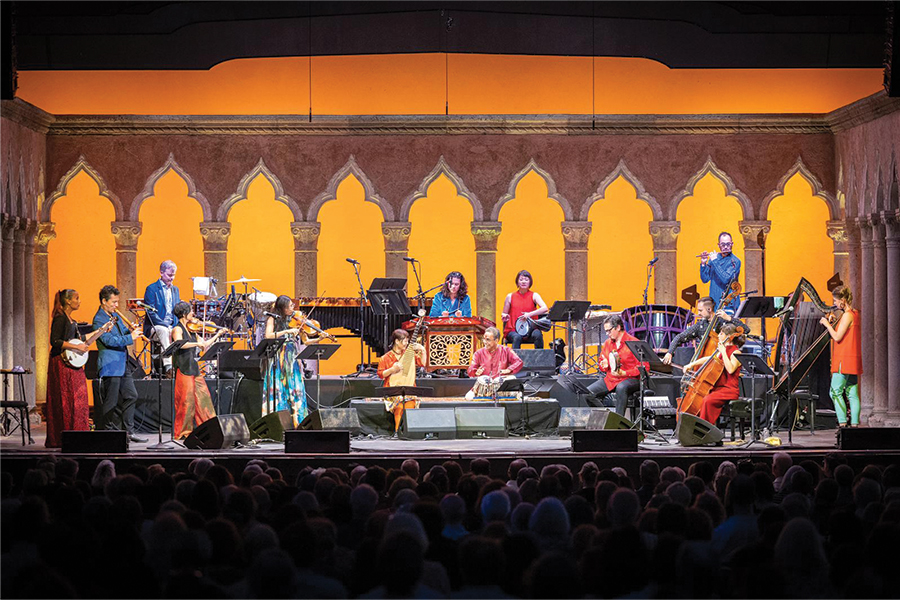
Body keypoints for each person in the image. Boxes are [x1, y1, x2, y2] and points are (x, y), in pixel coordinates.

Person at [45, 289, 113, 448]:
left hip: (72, 365)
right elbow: (55, 341)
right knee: (66, 400)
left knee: (78, 399)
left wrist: (100, 331)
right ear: (68, 301)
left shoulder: (71, 320)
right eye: (77, 298)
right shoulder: (60, 318)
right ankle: (65, 436)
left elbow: (81, 339)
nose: (79, 301)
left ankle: (78, 434)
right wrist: (76, 347)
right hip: (61, 364)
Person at [93, 285, 147, 443]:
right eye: (114, 302)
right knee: (111, 402)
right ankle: (108, 434)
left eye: (117, 302)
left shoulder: (113, 316)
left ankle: (128, 432)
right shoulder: (99, 320)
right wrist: (131, 337)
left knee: (131, 395)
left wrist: (132, 329)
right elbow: (109, 341)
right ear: (104, 301)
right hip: (110, 365)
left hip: (122, 364)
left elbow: (122, 331)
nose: (117, 305)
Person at [170, 301, 225, 439]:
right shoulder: (178, 329)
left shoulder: (192, 330)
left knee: (203, 399)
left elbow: (204, 344)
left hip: (193, 368)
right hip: (183, 368)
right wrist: (196, 343)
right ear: (184, 314)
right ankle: (183, 433)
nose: (193, 314)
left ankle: (209, 429)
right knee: (185, 402)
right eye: (190, 311)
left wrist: (218, 335)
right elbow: (179, 344)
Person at [680, 322, 745, 425]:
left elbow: (730, 369)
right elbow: (709, 359)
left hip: (729, 390)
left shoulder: (736, 352)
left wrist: (723, 352)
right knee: (701, 399)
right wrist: (691, 364)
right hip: (718, 388)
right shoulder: (722, 350)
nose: (718, 336)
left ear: (729, 337)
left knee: (707, 400)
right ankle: (694, 427)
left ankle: (704, 429)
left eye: (721, 334)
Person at [662, 296, 750, 365]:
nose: (698, 313)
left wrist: (729, 318)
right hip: (705, 363)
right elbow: (680, 337)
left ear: (709, 309)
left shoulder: (723, 321)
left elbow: (746, 330)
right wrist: (670, 352)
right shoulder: (700, 325)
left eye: (700, 310)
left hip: (725, 362)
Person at [819, 286, 861, 427]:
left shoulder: (847, 315)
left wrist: (826, 324)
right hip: (852, 357)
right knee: (852, 393)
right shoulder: (854, 313)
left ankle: (843, 424)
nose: (835, 304)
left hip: (844, 358)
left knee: (835, 392)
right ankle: (854, 426)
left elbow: (837, 337)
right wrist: (833, 322)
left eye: (836, 301)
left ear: (843, 300)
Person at [263, 295, 307, 428]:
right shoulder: (273, 319)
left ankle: (298, 422)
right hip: (278, 358)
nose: (293, 308)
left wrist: (320, 338)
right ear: (282, 308)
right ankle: (278, 423)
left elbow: (306, 341)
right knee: (279, 388)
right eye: (290, 306)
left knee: (295, 387)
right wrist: (287, 331)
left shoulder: (296, 320)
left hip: (292, 359)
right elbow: (268, 335)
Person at [586, 315, 643, 417]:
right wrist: (604, 365)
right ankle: (607, 418)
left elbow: (644, 367)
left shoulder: (633, 342)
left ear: (618, 328)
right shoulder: (607, 343)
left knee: (621, 387)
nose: (607, 334)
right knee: (588, 393)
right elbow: (601, 363)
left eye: (609, 331)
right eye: (606, 331)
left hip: (630, 378)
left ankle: (618, 422)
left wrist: (625, 372)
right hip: (612, 379)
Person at [377, 328, 426, 433]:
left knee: (410, 405)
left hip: (409, 389)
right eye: (404, 341)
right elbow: (381, 374)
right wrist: (392, 370)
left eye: (407, 341)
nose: (407, 343)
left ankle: (410, 432)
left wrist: (423, 350)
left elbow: (422, 363)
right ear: (397, 341)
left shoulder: (409, 355)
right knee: (399, 406)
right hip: (392, 391)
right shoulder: (386, 357)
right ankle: (398, 432)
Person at [142, 260, 180, 377]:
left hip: (170, 325)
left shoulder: (175, 289)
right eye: (169, 275)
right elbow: (150, 313)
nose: (172, 278)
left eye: (173, 275)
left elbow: (176, 311)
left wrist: (175, 327)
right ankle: (168, 367)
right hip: (155, 326)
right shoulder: (152, 289)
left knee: (181, 331)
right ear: (161, 272)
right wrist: (165, 326)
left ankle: (182, 366)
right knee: (163, 331)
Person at [465, 326, 523, 400]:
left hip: (501, 386)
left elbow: (519, 362)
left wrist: (509, 370)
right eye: (484, 339)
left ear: (496, 340)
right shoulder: (478, 353)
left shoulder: (506, 350)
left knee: (517, 391)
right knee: (468, 397)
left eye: (488, 340)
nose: (485, 342)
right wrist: (476, 372)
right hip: (485, 386)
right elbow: (470, 369)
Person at [501, 269, 549, 349]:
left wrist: (529, 314)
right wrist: (504, 316)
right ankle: (515, 361)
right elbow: (504, 313)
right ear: (517, 282)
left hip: (530, 329)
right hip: (513, 330)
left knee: (538, 335)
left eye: (526, 280)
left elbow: (545, 308)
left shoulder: (534, 295)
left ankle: (539, 360)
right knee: (517, 338)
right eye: (521, 279)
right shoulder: (510, 296)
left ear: (530, 282)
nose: (523, 282)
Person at [700, 232, 741, 315]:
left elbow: (726, 279)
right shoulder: (713, 259)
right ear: (718, 245)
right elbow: (705, 279)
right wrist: (703, 264)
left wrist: (715, 261)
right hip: (714, 301)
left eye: (728, 244)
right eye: (723, 244)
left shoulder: (735, 261)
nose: (725, 247)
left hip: (728, 304)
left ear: (732, 244)